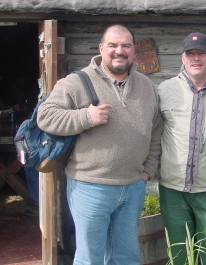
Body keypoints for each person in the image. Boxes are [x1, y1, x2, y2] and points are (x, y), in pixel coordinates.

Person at [37, 24, 163, 265]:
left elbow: (156, 128)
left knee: (127, 258)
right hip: (90, 187)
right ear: (101, 48)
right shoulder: (76, 81)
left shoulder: (146, 85)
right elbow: (46, 116)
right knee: (90, 258)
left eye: (126, 45)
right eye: (113, 45)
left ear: (133, 49)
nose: (120, 51)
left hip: (133, 186)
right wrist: (85, 117)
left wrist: (148, 170)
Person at [157, 32, 206, 265]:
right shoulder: (165, 90)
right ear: (182, 58)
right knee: (179, 254)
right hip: (172, 190)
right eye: (190, 54)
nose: (196, 58)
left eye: (201, 53)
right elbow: (153, 133)